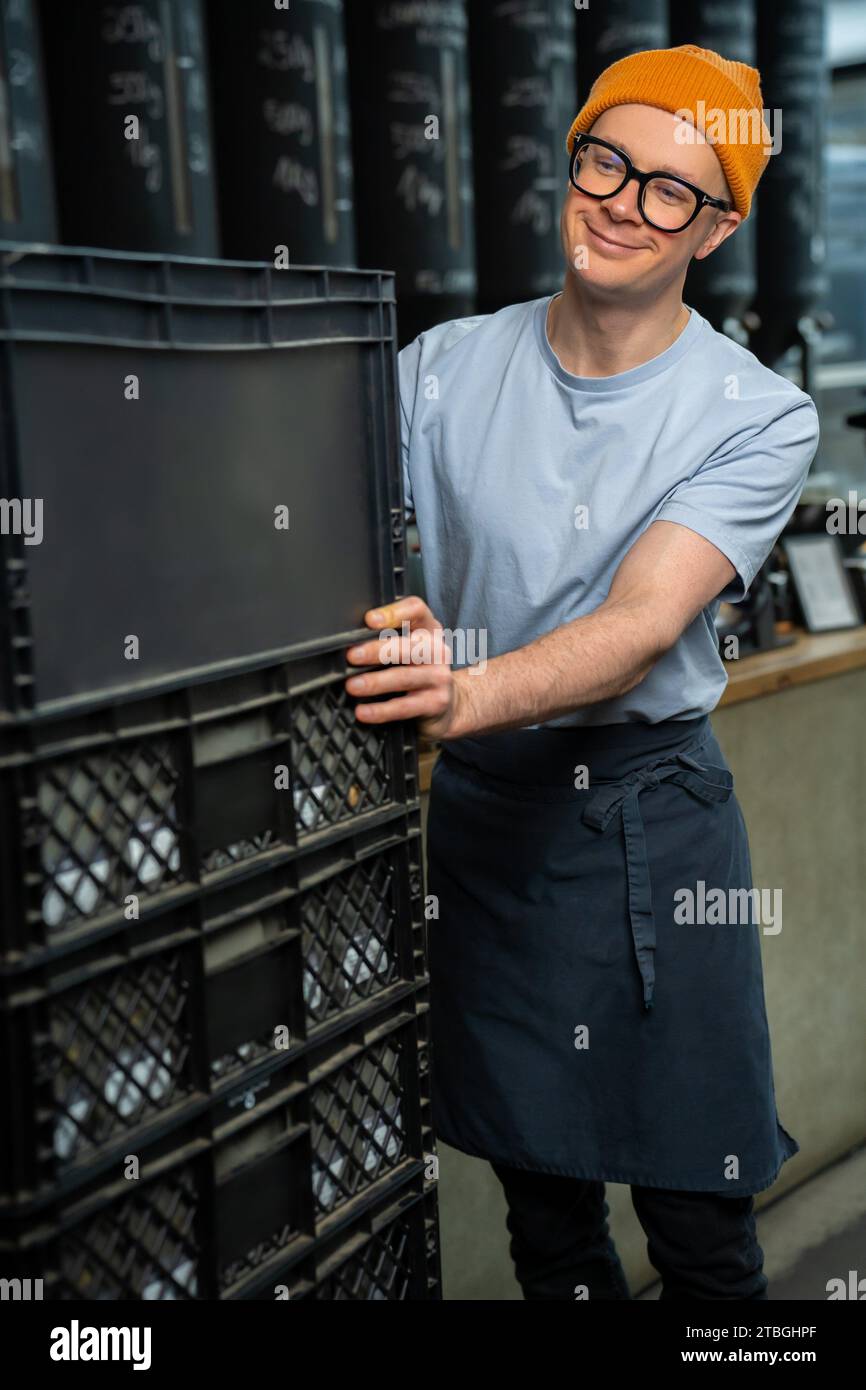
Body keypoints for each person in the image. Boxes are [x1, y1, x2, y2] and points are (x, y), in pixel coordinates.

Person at [344, 45, 819, 1300]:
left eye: (670, 188)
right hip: (489, 832)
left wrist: (459, 693)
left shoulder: (751, 412)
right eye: (604, 160)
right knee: (544, 1217)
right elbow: (320, 521)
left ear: (713, 228)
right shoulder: (439, 371)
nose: (622, 200)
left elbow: (638, 619)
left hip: (647, 832)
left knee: (697, 1216)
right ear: (572, 163)